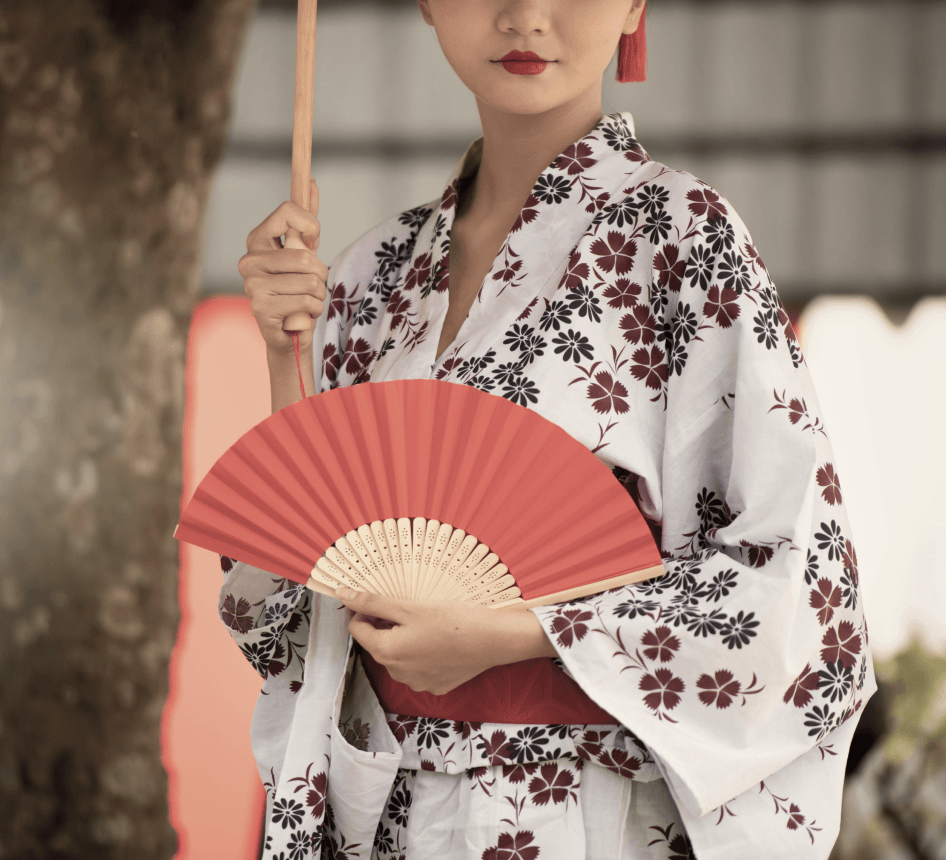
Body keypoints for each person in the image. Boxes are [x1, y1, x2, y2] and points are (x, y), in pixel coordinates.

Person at [225, 1, 875, 857]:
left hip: (584, 811)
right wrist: (285, 357)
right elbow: (293, 605)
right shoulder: (369, 276)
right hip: (386, 809)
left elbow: (801, 597)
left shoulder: (684, 240)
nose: (526, 15)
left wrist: (510, 635)